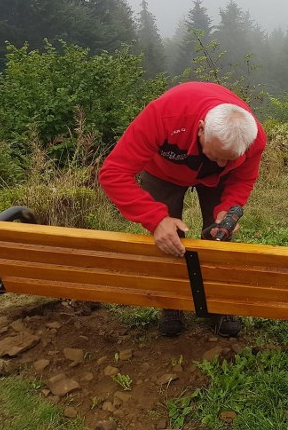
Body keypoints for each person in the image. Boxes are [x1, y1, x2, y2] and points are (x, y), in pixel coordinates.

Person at [99, 81, 267, 338]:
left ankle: (217, 305)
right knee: (168, 239)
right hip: (163, 172)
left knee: (219, 236)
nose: (222, 162)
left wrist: (227, 209)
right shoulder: (164, 115)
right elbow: (113, 172)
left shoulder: (253, 138)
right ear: (201, 130)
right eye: (218, 154)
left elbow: (242, 179)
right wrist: (156, 220)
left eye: (230, 158)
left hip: (217, 180)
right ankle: (172, 302)